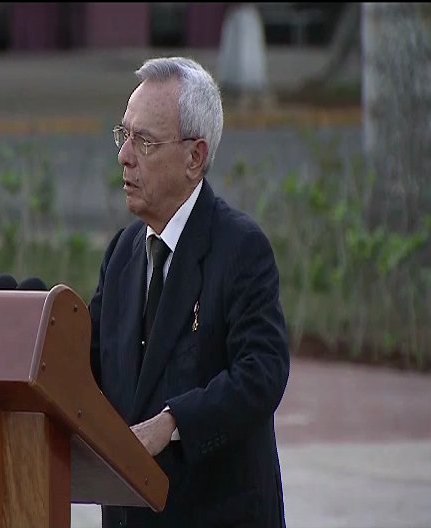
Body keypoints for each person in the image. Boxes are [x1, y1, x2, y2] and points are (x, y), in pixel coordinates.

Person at [88, 56, 290, 527]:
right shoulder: (122, 254)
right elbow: (88, 366)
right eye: (124, 135)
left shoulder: (240, 248)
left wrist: (172, 423)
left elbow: (262, 373)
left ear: (195, 158)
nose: (124, 156)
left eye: (144, 141)